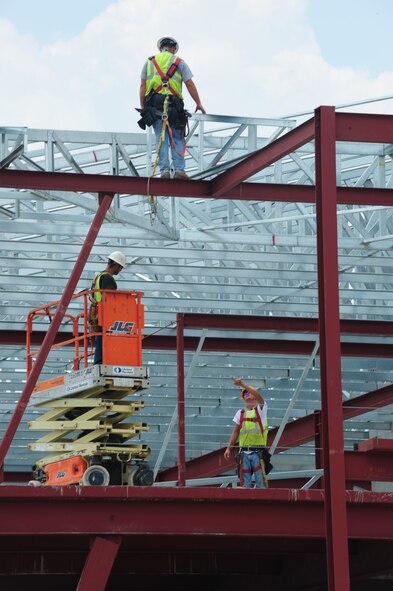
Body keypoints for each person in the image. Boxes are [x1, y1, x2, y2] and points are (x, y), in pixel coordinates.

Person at [139, 36, 206, 179]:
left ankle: (164, 171)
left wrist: (143, 106)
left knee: (161, 137)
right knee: (177, 138)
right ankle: (179, 171)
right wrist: (198, 103)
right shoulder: (179, 62)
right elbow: (189, 84)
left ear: (160, 48)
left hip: (155, 105)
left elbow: (142, 85)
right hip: (174, 105)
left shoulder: (149, 62)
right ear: (174, 48)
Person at [224, 377, 270, 489]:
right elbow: (235, 432)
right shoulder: (240, 413)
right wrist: (228, 448)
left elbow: (259, 395)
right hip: (244, 453)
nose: (247, 394)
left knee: (260, 483)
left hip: (258, 453)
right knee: (245, 485)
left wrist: (243, 385)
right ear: (243, 398)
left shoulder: (260, 410)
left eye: (249, 392)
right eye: (245, 393)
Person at [89, 251, 126, 365]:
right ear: (116, 265)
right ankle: (101, 363)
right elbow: (111, 299)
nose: (120, 271)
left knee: (101, 339)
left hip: (96, 313)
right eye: (120, 268)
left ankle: (99, 362)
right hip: (103, 314)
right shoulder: (107, 279)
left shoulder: (98, 277)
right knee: (105, 338)